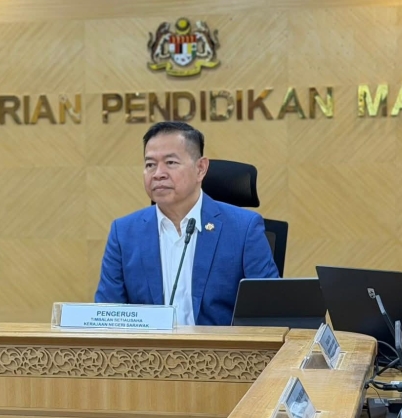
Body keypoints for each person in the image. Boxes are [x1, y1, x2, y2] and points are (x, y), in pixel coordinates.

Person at [94, 121, 279, 326]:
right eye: (150, 165)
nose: (158, 173)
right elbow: (107, 316)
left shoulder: (243, 229)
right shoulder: (124, 233)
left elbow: (269, 315)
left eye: (171, 163)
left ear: (200, 168)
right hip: (148, 355)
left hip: (223, 354)